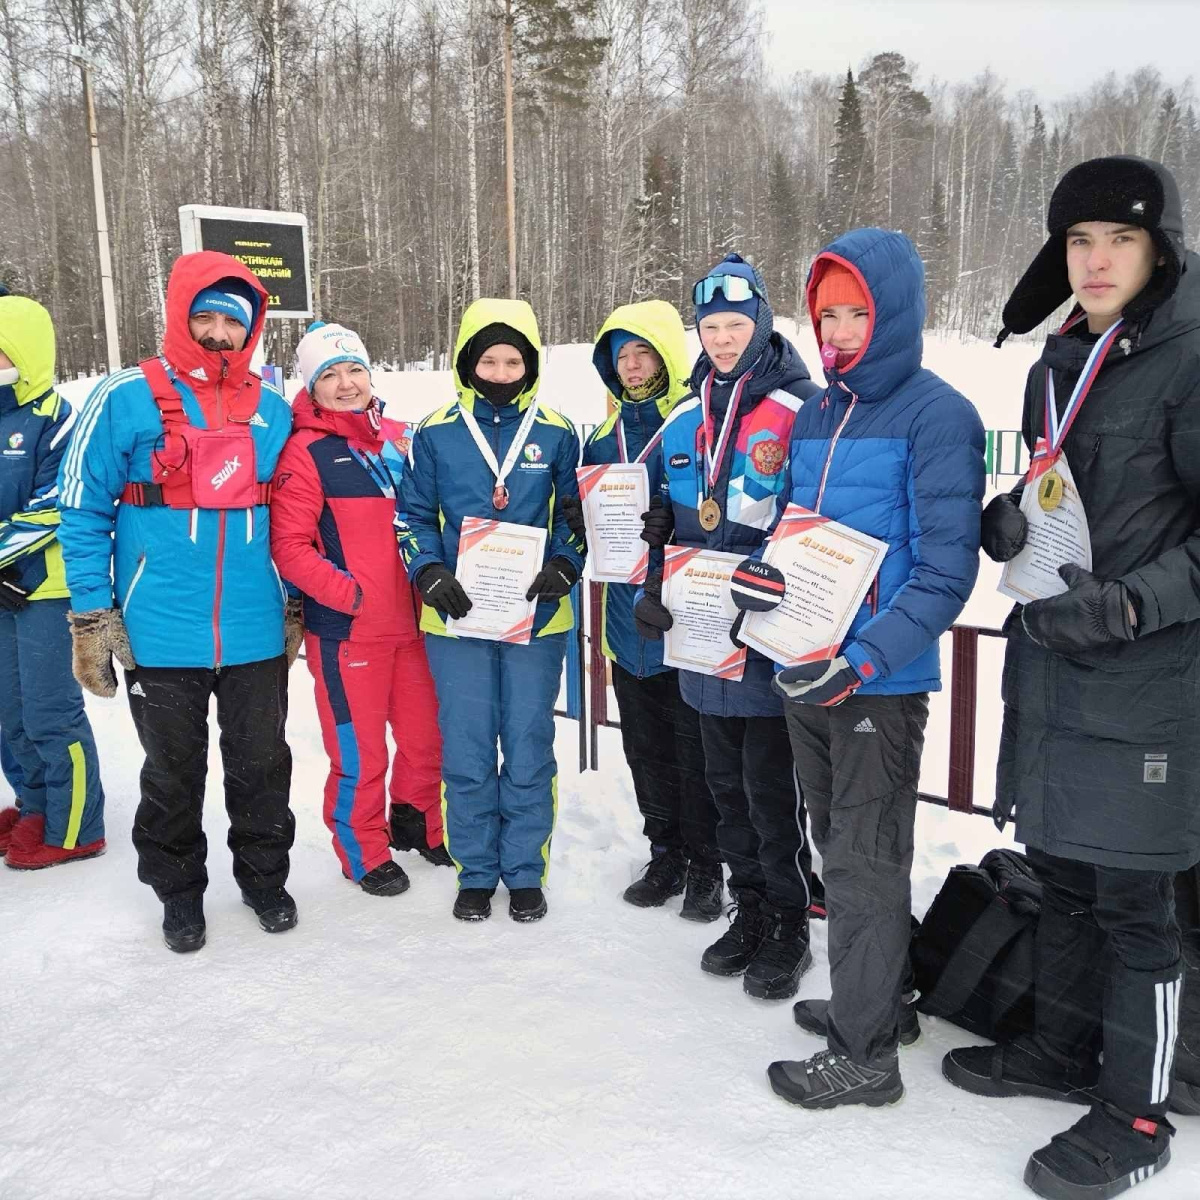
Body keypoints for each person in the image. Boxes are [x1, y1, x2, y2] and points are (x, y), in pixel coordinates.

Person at [943, 155, 1199, 1198]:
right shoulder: (1062, 358)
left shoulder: (1188, 358)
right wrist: (1015, 512)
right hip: (1054, 664)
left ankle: (1136, 1114)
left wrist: (1135, 601)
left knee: (1140, 909)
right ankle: (1057, 1051)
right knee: (1062, 881)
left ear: (1160, 249)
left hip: (1146, 675)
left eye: (1119, 241)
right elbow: (1070, 486)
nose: (1094, 262)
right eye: (1078, 243)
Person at [751, 231, 984, 1109]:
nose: (840, 332)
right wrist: (759, 579)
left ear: (896, 315)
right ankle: (878, 997)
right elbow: (795, 537)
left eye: (857, 313)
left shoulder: (938, 414)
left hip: (874, 687)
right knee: (842, 849)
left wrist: (863, 658)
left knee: (862, 861)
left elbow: (944, 571)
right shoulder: (816, 412)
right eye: (827, 315)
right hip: (807, 670)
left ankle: (866, 1055)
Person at [57, 251, 296, 953]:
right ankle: (178, 892)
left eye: (234, 321)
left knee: (263, 765)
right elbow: (80, 510)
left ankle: (263, 878)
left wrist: (296, 603)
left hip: (255, 628)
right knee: (171, 772)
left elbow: (297, 514)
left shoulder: (274, 409)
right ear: (180, 316)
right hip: (158, 627)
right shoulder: (123, 396)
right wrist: (93, 616)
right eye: (207, 317)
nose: (220, 332)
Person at [634, 254, 822, 1000]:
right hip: (703, 638)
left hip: (766, 635)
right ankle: (749, 909)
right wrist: (653, 579)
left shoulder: (801, 409)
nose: (720, 339)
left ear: (763, 323)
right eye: (709, 326)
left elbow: (817, 521)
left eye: (735, 325)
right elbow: (662, 521)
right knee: (723, 787)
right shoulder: (685, 416)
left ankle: (789, 921)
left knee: (771, 790)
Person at [396, 299, 584, 923]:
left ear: (529, 364)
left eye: (512, 360)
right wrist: (427, 570)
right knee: (468, 747)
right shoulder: (435, 431)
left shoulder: (559, 431)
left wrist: (565, 562)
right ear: (465, 362)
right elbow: (413, 517)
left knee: (529, 744)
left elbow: (575, 520)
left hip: (538, 618)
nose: (500, 372)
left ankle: (526, 871)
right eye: (487, 359)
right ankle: (475, 869)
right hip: (456, 618)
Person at [270, 320, 447, 897]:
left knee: (426, 739)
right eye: (330, 375)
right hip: (349, 634)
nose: (346, 384)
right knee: (360, 751)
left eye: (355, 370)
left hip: (417, 626)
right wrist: (353, 596)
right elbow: (290, 548)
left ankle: (418, 823)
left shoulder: (401, 437)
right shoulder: (306, 451)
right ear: (312, 386)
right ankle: (361, 848)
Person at [564, 301, 723, 919]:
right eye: (620, 356)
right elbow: (591, 525)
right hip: (625, 620)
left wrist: (674, 525)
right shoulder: (602, 436)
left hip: (684, 613)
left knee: (694, 747)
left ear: (666, 356)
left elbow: (717, 513)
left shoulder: (695, 419)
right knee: (645, 747)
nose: (631, 367)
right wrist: (580, 518)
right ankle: (666, 852)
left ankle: (708, 862)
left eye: (643, 353)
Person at [0, 292, 105, 868]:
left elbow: (51, 506)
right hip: (1, 586)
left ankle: (77, 826)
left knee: (49, 712)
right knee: (9, 712)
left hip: (44, 589)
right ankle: (35, 804)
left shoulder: (58, 419)